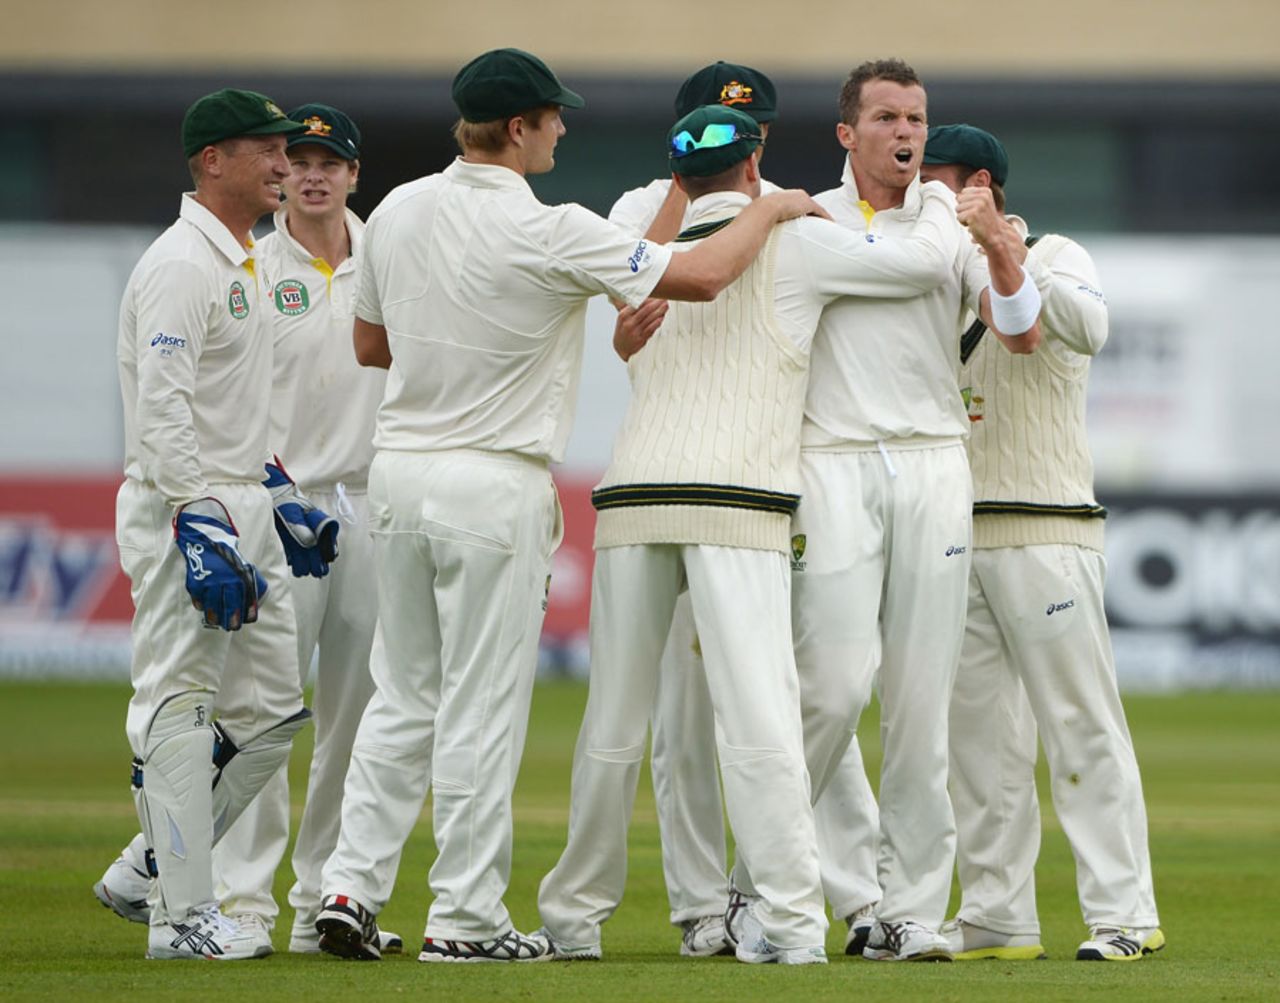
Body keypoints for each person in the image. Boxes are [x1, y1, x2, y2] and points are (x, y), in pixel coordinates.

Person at [314, 48, 827, 964]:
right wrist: (776, 204)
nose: (560, 129)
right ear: (518, 127)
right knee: (481, 707)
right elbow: (701, 275)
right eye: (553, 117)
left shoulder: (394, 210)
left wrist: (454, 349)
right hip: (491, 481)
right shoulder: (551, 228)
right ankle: (465, 919)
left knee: (402, 693)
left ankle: (348, 887)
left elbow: (369, 344)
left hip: (399, 474)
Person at [537, 103, 963, 965]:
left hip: (632, 499)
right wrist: (941, 200)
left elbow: (649, 299)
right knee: (763, 722)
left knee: (613, 726)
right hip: (737, 502)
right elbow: (919, 266)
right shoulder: (796, 239)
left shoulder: (652, 250)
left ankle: (573, 919)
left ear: (678, 176)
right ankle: (795, 925)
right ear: (755, 160)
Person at [609, 60, 882, 959]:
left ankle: (848, 890)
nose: (743, 135)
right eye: (720, 119)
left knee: (809, 695)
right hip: (678, 473)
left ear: (764, 134)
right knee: (683, 715)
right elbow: (635, 292)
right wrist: (700, 197)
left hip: (773, 478)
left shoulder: (800, 210)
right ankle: (701, 905)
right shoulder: (642, 204)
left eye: (751, 121)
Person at [784, 59, 1043, 962]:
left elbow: (1020, 331)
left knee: (921, 702)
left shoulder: (956, 224)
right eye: (888, 117)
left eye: (918, 119)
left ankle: (909, 910)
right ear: (847, 132)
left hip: (934, 459)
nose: (906, 133)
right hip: (835, 459)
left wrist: (998, 243)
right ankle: (772, 876)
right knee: (831, 688)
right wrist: (951, 220)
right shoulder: (810, 216)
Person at [97, 88, 335, 960]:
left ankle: (146, 868)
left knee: (271, 713)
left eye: (285, 149)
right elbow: (162, 405)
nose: (284, 163)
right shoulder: (180, 264)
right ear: (211, 161)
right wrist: (197, 516)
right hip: (183, 504)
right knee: (181, 702)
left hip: (242, 499)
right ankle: (182, 917)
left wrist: (278, 491)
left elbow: (232, 402)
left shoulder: (248, 261)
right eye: (266, 150)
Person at [919, 123, 1165, 963]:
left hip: (1048, 528)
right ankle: (996, 913)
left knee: (1079, 726)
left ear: (980, 185)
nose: (920, 196)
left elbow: (1089, 328)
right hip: (958, 538)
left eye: (935, 181)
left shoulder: (1059, 254)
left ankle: (1124, 911)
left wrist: (1000, 244)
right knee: (980, 743)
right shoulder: (930, 274)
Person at [207, 103, 402, 958]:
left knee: (354, 718)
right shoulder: (253, 266)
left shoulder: (387, 256)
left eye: (331, 163)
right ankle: (243, 902)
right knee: (264, 709)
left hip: (368, 500)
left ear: (354, 174)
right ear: (283, 174)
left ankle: (324, 897)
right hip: (280, 505)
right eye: (302, 162)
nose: (314, 176)